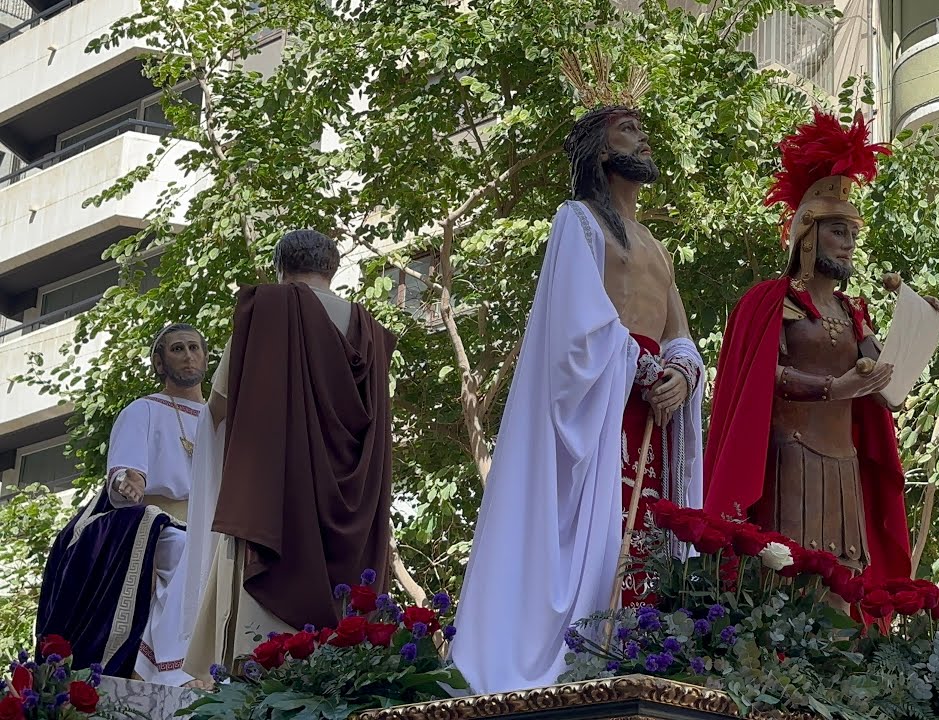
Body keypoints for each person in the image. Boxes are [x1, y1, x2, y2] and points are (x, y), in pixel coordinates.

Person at [449, 62, 705, 694]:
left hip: (651, 406)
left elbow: (679, 332)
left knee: (650, 528)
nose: (641, 138)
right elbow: (576, 324)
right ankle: (589, 655)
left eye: (641, 128)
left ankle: (645, 654)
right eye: (626, 129)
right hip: (604, 405)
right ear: (598, 148)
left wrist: (680, 370)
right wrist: (639, 363)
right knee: (608, 528)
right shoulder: (578, 221)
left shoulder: (655, 243)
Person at [703, 109, 939, 595]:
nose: (849, 245)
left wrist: (921, 326)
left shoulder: (854, 311)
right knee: (790, 584)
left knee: (844, 587)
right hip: (790, 458)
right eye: (839, 232)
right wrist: (835, 387)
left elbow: (886, 390)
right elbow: (763, 378)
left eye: (853, 235)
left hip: (845, 466)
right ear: (808, 234)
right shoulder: (773, 301)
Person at [182, 229, 396, 682]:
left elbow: (219, 406)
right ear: (332, 269)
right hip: (354, 530)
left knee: (260, 676)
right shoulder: (372, 334)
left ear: (280, 266)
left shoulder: (271, 310)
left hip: (278, 514)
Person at [37, 323, 208, 687]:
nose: (189, 355)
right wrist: (129, 482)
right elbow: (126, 475)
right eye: (178, 349)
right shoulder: (143, 410)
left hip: (214, 524)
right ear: (160, 363)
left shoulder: (222, 421)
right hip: (160, 526)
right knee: (187, 553)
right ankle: (175, 672)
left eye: (195, 347)